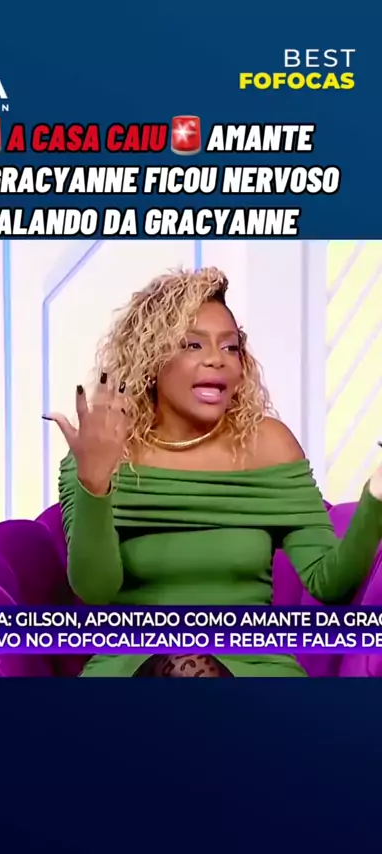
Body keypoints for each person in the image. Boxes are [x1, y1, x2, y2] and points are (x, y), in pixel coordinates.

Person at [45, 267, 382, 677]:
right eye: (192, 344)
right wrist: (94, 485)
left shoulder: (269, 446)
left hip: (254, 667)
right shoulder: (100, 447)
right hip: (132, 664)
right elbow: (95, 590)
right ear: (151, 358)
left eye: (230, 347)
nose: (216, 359)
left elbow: (330, 583)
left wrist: (377, 494)